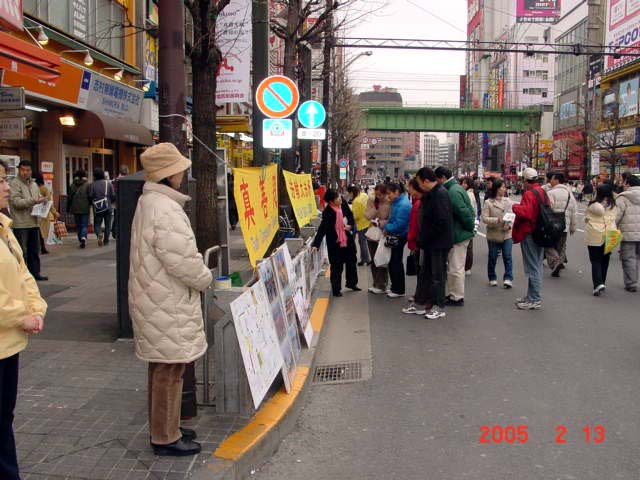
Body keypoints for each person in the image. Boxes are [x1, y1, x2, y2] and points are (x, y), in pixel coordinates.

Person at [129, 143, 212, 456]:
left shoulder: (150, 202)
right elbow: (182, 260)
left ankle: (166, 427)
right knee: (170, 370)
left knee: (163, 368)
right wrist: (205, 278)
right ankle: (165, 436)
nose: (183, 173)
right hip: (167, 301)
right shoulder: (165, 208)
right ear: (168, 173)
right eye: (179, 169)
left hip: (157, 299)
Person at [0, 158, 47, 479]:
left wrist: (36, 308)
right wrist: (21, 316)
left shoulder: (5, 228)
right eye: (2, 181)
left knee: (4, 417)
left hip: (9, 343)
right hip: (7, 334)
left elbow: (23, 274)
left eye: (7, 179)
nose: (7, 186)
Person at [414, 167, 454, 319]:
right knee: (426, 273)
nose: (419, 186)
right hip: (431, 241)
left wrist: (425, 237)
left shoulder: (440, 194)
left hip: (438, 242)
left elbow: (441, 221)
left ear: (425, 181)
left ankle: (439, 306)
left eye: (419, 182)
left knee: (438, 275)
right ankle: (422, 302)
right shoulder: (433, 193)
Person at [435, 167, 476, 307]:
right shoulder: (455, 188)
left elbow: (464, 212)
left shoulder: (452, 191)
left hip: (458, 234)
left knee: (455, 267)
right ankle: (454, 294)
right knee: (455, 266)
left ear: (442, 178)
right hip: (459, 232)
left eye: (437, 179)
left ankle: (457, 297)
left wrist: (470, 227)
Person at [311, 189, 359, 297]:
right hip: (334, 242)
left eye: (339, 196)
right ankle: (336, 289)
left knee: (351, 261)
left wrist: (350, 226)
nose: (340, 199)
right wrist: (316, 244)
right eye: (337, 198)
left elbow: (350, 216)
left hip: (347, 238)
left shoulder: (343, 204)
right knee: (337, 265)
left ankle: (352, 283)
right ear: (331, 201)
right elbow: (322, 229)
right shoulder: (327, 212)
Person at [512, 168, 547, 310]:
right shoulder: (542, 191)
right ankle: (531, 296)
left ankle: (534, 299)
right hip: (541, 231)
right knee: (537, 265)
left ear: (526, 180)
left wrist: (515, 207)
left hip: (530, 232)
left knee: (533, 267)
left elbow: (526, 213)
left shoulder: (529, 193)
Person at [9, 160, 48, 281]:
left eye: (28, 170)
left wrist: (43, 200)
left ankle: (35, 273)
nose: (25, 172)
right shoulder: (14, 183)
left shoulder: (34, 184)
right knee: (21, 251)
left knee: (34, 250)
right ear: (19, 170)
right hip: (20, 223)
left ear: (31, 171)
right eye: (23, 170)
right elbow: (16, 202)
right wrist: (34, 200)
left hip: (34, 221)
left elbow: (37, 198)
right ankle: (21, 275)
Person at [585, 183, 618, 296]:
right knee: (605, 259)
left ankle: (597, 284)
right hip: (610, 233)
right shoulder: (614, 204)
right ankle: (602, 282)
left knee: (595, 260)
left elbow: (587, 217)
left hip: (595, 233)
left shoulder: (594, 205)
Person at [481, 178, 514, 288]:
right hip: (493, 233)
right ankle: (492, 277)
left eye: (505, 187)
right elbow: (484, 218)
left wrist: (510, 225)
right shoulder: (488, 202)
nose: (505, 189)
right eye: (502, 187)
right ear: (497, 188)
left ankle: (508, 278)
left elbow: (512, 215)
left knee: (507, 256)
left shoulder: (508, 201)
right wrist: (497, 220)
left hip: (507, 233)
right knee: (493, 257)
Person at [544, 172, 577, 278]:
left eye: (552, 179)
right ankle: (559, 263)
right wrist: (573, 226)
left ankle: (555, 263)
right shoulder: (569, 193)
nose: (550, 181)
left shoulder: (551, 193)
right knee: (561, 246)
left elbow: (547, 209)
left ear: (557, 180)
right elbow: (574, 210)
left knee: (548, 244)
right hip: (564, 225)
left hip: (552, 225)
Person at [402, 178, 426, 314]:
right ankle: (420, 296)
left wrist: (411, 238)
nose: (407, 189)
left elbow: (415, 226)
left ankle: (421, 299)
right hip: (418, 241)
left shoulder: (418, 204)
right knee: (421, 271)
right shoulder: (417, 202)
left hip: (418, 242)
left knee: (422, 271)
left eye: (409, 187)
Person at [383, 183, 411, 298]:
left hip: (400, 235)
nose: (388, 196)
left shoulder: (403, 205)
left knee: (396, 262)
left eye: (389, 193)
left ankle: (399, 289)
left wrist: (386, 227)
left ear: (396, 192)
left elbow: (399, 224)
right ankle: (395, 287)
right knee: (393, 262)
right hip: (396, 234)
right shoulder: (397, 202)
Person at [364, 183, 391, 294]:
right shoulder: (372, 200)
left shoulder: (390, 202)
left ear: (385, 194)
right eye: (376, 194)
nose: (378, 197)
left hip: (384, 234)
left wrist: (381, 222)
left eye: (380, 195)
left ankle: (382, 284)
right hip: (372, 234)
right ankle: (376, 283)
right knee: (374, 260)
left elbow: (392, 218)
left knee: (382, 260)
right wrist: (375, 208)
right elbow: (367, 215)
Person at [616, 172, 640, 293]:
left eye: (624, 182)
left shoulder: (623, 197)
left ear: (628, 184)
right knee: (636, 257)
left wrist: (612, 228)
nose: (623, 184)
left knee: (629, 258)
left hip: (628, 233)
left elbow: (617, 216)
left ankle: (631, 283)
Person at [89, 168, 116, 247]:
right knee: (108, 224)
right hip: (108, 206)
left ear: (94, 175)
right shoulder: (108, 184)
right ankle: (106, 240)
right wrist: (110, 201)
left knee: (97, 224)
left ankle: (99, 234)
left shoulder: (93, 185)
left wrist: (93, 202)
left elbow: (90, 196)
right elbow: (113, 195)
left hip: (97, 207)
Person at [33, 173, 59, 255]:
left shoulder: (33, 188)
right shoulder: (44, 188)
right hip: (43, 213)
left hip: (34, 212)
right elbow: (49, 202)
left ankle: (38, 248)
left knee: (36, 231)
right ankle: (42, 248)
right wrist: (55, 212)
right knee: (41, 232)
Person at [347, 184, 371, 266]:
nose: (349, 195)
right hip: (368, 221)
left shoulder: (355, 201)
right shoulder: (364, 195)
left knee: (362, 242)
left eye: (349, 193)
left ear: (351, 192)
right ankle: (364, 259)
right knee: (363, 241)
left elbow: (356, 216)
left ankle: (366, 259)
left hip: (361, 224)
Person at [67, 170, 91, 249]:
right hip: (85, 207)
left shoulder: (73, 185)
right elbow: (90, 196)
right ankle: (84, 237)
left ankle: (80, 239)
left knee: (78, 225)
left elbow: (69, 197)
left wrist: (68, 207)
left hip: (75, 207)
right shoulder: (87, 185)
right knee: (84, 224)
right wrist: (90, 204)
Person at [461, 177, 479, 276]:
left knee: (467, 245)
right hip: (472, 219)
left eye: (465, 183)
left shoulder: (468, 194)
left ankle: (467, 266)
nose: (462, 185)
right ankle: (467, 267)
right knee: (469, 244)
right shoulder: (471, 193)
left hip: (468, 220)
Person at [111, 165, 129, 240]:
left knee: (116, 219)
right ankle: (121, 233)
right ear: (126, 171)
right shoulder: (127, 180)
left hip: (116, 203)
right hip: (125, 203)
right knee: (124, 219)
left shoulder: (115, 180)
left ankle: (114, 232)